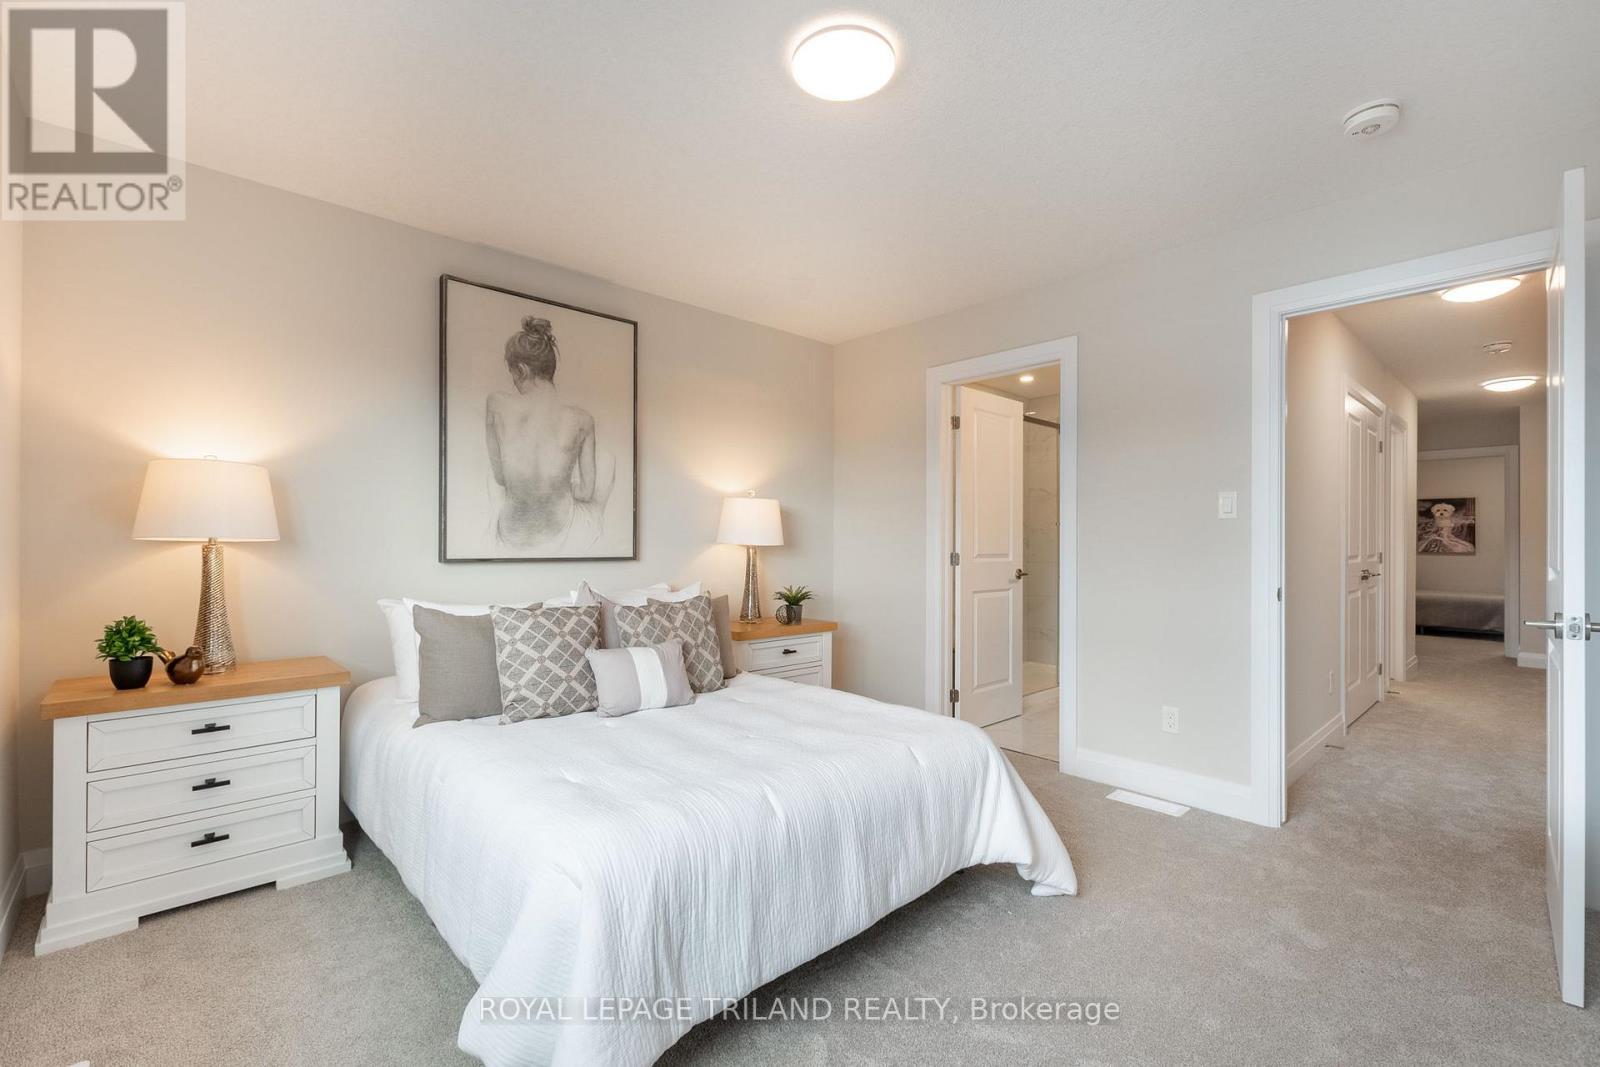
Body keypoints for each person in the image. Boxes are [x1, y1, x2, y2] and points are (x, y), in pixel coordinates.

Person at [485, 316, 614, 551]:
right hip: (560, 532)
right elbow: (586, 493)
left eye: (512, 372)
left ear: (521, 370)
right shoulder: (582, 420)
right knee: (610, 461)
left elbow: (501, 478)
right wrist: (558, 485)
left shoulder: (497, 405)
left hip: (512, 534)